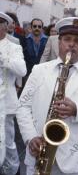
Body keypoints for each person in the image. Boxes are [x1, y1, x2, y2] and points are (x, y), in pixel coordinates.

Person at [16, 17, 78, 175]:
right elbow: (23, 106)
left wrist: (76, 110)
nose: (71, 44)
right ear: (59, 42)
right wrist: (30, 137)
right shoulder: (39, 71)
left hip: (73, 160)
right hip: (38, 153)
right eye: (67, 39)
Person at [0, 12, 27, 174]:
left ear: (4, 27)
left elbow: (22, 71)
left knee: (7, 141)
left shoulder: (14, 47)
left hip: (6, 103)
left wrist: (3, 60)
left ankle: (12, 170)